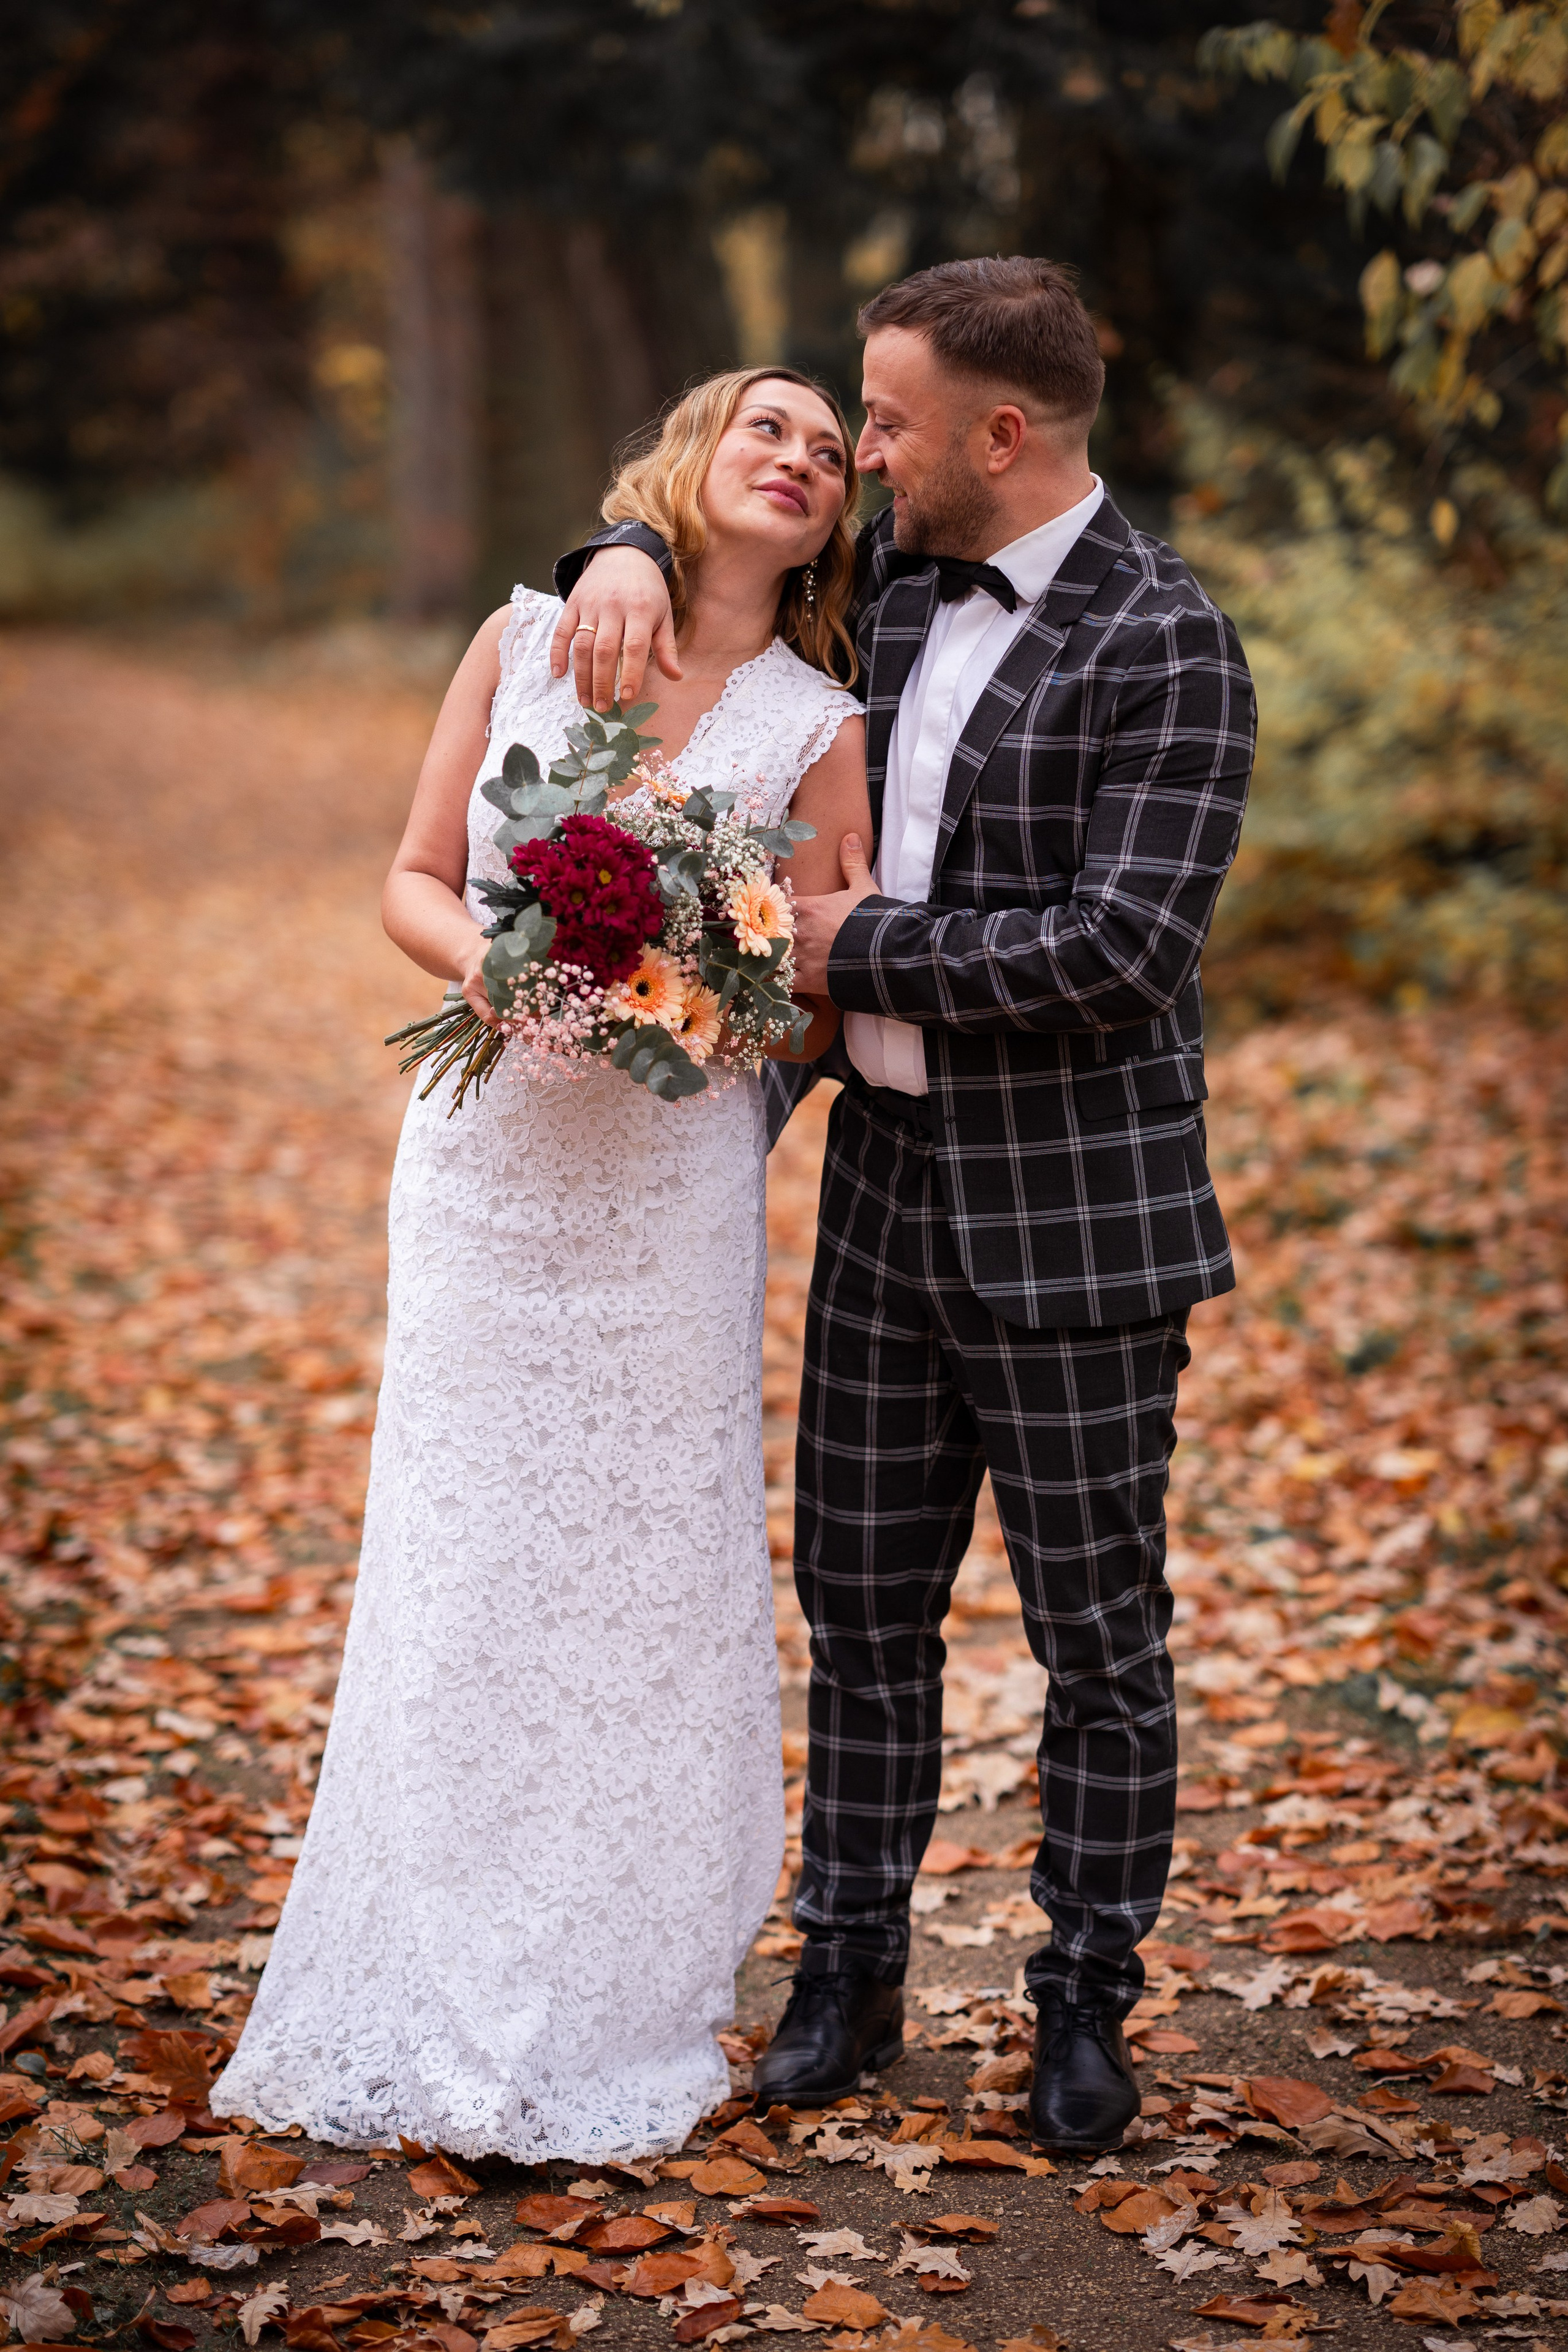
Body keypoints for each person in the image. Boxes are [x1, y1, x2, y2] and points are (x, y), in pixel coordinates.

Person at [551, 255, 1256, 2154]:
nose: (860, 454)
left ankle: (1084, 2003)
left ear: (999, 434)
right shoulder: (906, 590)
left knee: (1100, 1639)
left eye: (886, 422)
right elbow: (714, 581)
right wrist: (604, 544)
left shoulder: (1168, 639)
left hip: (1081, 1229)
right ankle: (848, 1973)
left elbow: (1124, 949)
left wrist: (860, 947)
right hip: (881, 1198)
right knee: (860, 1618)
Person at [209, 368, 872, 2165]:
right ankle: (432, 1964)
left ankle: (616, 1983)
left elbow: (823, 958)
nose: (800, 463)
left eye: (828, 453)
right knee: (470, 1554)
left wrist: (709, 984)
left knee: (641, 1569)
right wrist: (502, 971)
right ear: (693, 451)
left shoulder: (820, 722)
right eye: (769, 429)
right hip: (488, 1168)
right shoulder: (531, 635)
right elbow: (416, 876)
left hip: (667, 1190)